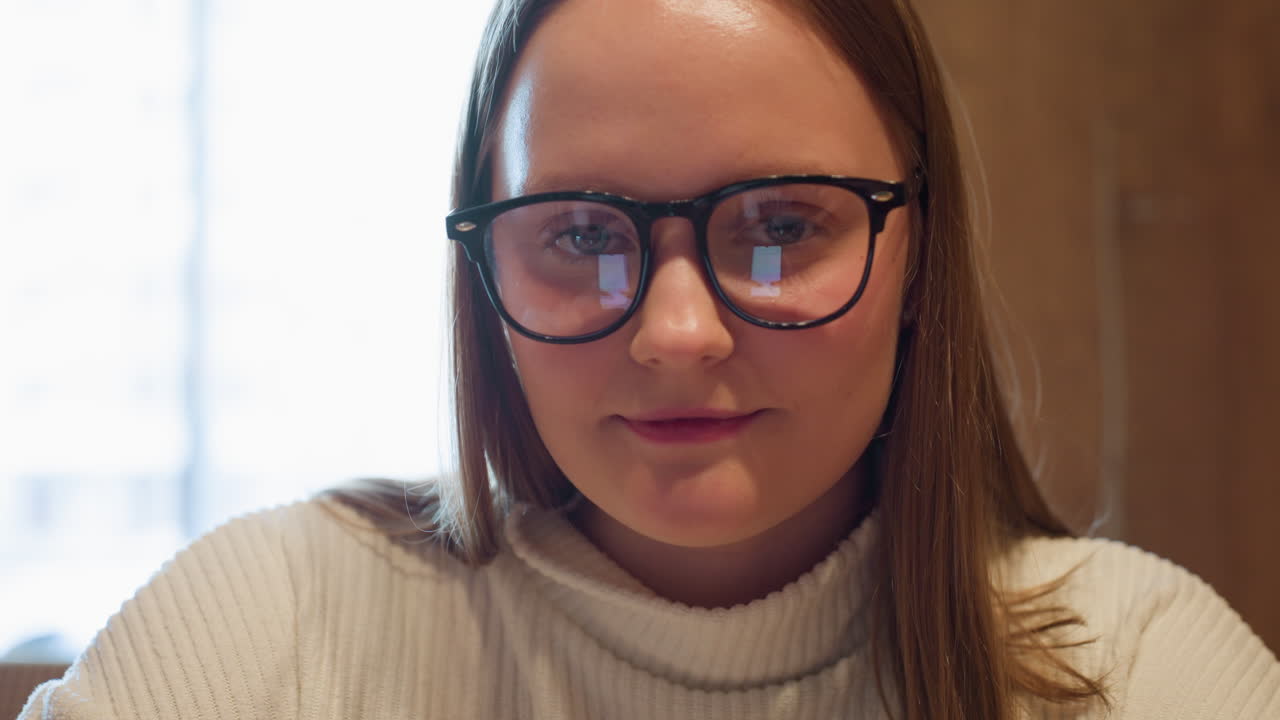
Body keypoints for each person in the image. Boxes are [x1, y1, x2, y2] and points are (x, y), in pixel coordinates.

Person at [19, 0, 1280, 718]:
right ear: (482, 268)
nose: (678, 334)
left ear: (918, 257)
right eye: (575, 233)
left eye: (782, 227)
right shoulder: (275, 633)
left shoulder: (1130, 667)